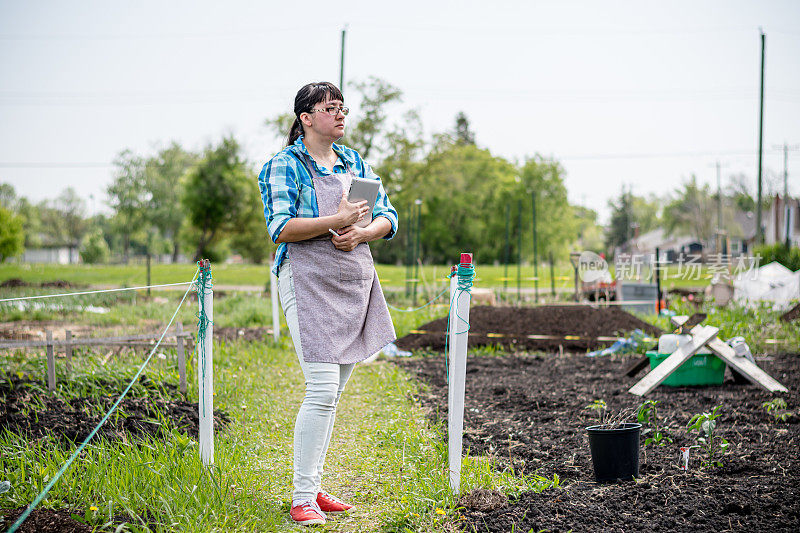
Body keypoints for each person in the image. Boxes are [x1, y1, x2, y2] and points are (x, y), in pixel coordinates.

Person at [258, 82, 398, 526]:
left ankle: (314, 487)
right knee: (320, 389)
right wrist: (336, 221)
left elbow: (387, 216)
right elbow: (281, 228)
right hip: (307, 278)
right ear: (305, 117)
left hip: (353, 279)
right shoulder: (283, 165)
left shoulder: (354, 161)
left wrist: (361, 233)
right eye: (330, 108)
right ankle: (302, 497)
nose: (340, 115)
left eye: (343, 108)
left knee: (332, 394)